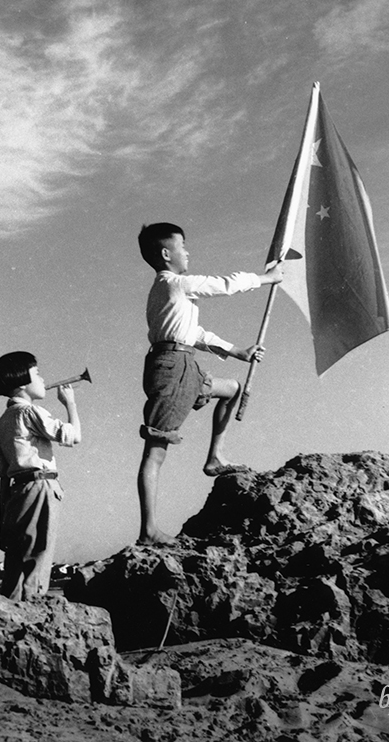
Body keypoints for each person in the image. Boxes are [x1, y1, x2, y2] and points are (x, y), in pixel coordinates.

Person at [136, 222, 283, 545]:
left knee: (233, 389)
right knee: (156, 449)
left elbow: (194, 334)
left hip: (183, 362)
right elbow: (223, 285)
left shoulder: (170, 292)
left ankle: (215, 457)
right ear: (166, 253)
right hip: (171, 366)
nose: (188, 252)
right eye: (182, 246)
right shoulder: (174, 284)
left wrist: (236, 351)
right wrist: (265, 279)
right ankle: (148, 530)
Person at [0, 351, 81, 601]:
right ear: (22, 383)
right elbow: (73, 436)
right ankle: (35, 609)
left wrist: (1, 525)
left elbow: (3, 477)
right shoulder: (30, 412)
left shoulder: (3, 421)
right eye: (37, 373)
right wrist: (70, 403)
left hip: (17, 494)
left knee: (16, 563)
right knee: (38, 556)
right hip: (40, 486)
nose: (42, 379)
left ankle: (15, 608)